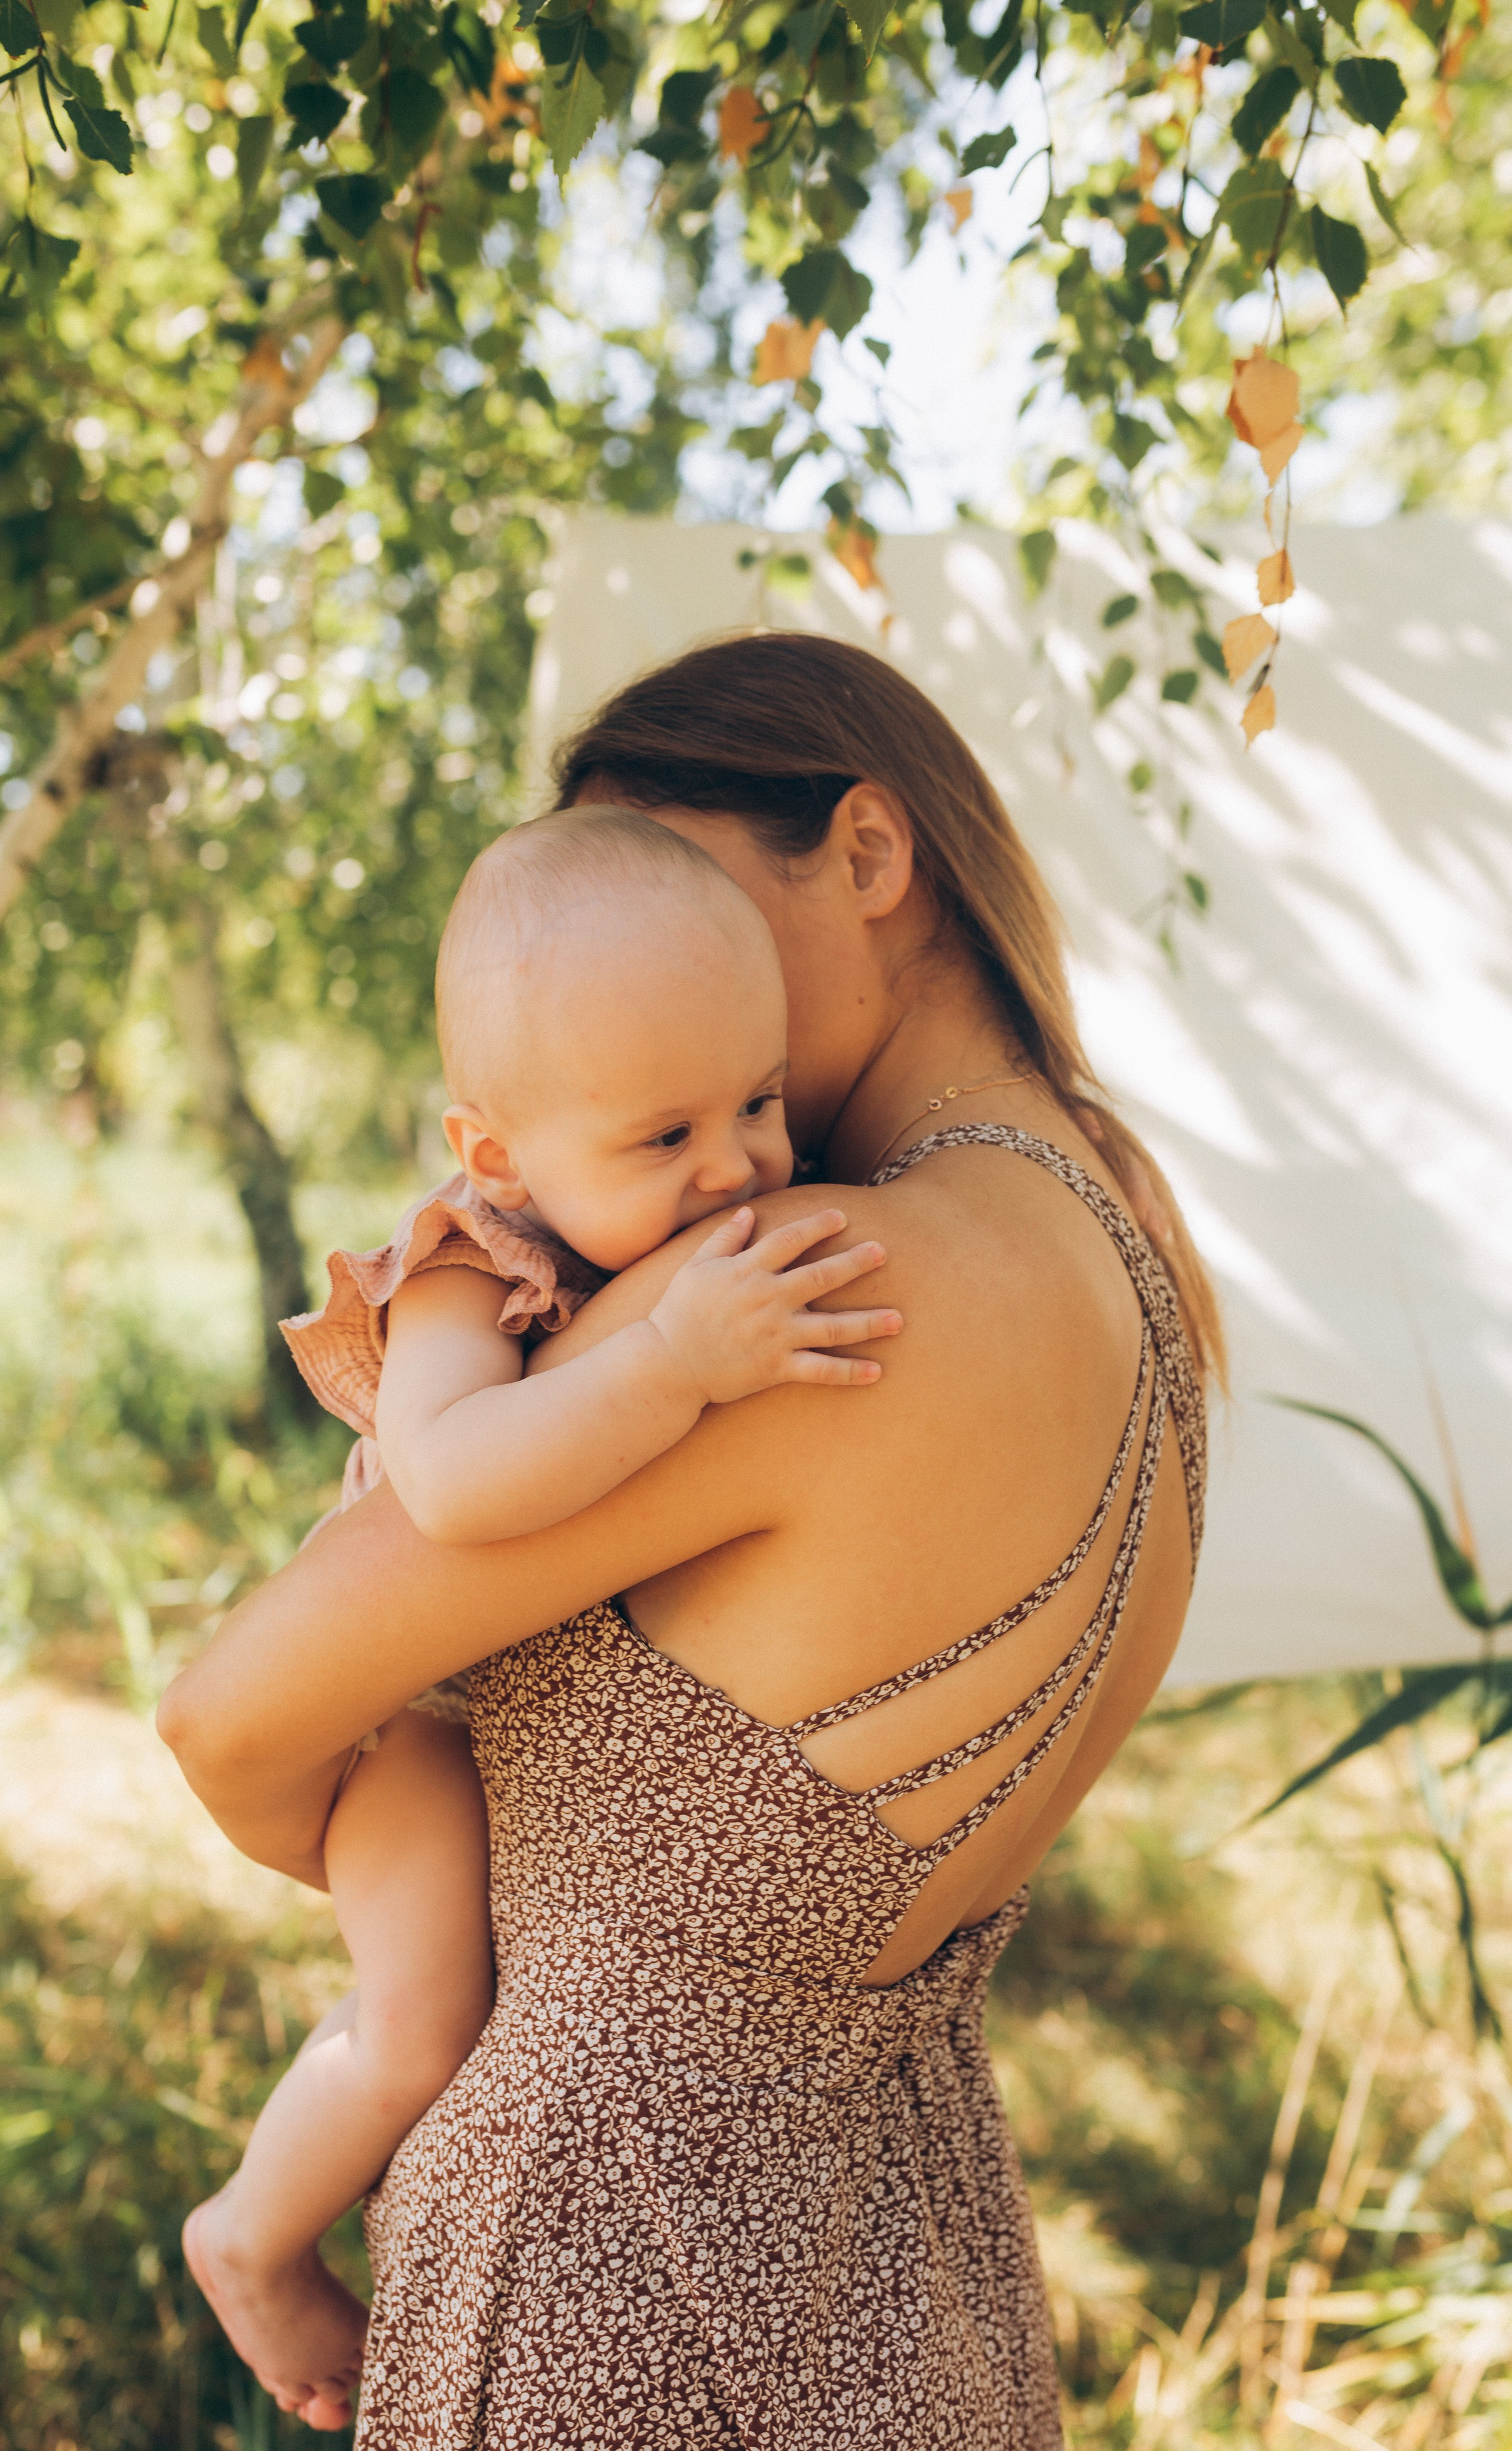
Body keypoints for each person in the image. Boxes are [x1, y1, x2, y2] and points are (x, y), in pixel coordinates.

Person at [158, 629, 1219, 2448]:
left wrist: (431, 1894)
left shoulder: (806, 1285)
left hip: (597, 2258)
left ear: (871, 857)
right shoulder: (1134, 1263)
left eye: (685, 886)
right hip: (901, 2264)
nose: (656, 971)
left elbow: (228, 1718)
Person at [181, 810, 901, 2420]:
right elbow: (446, 1481)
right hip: (409, 1724)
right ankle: (249, 2235)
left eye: (759, 1102)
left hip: (536, 1733)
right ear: (497, 1153)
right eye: (665, 1139)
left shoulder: (669, 1201)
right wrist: (669, 1363)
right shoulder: (469, 1261)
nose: (733, 1167)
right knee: (426, 2022)